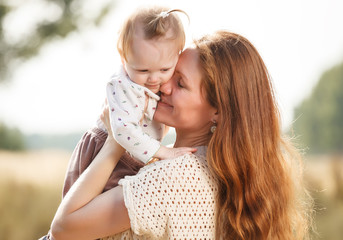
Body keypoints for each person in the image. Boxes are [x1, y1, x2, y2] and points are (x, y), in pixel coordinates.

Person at [50, 30, 313, 240]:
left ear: (217, 111)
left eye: (180, 83)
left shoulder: (173, 178)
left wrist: (116, 139)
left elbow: (62, 230)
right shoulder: (219, 173)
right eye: (169, 72)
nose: (162, 86)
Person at [61, 6, 194, 198]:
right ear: (124, 58)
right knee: (91, 209)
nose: (154, 79)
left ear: (177, 55)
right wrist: (164, 152)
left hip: (131, 154)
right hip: (106, 153)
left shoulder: (157, 82)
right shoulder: (122, 85)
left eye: (164, 69)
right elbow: (123, 131)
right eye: (143, 71)